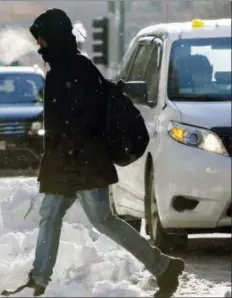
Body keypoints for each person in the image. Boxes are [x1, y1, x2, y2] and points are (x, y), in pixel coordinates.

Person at [24, 8, 185, 298]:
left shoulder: (76, 69)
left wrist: (64, 150)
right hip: (69, 161)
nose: (40, 46)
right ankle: (38, 280)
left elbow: (86, 119)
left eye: (43, 40)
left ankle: (163, 266)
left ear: (56, 38)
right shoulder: (63, 69)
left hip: (82, 162)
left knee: (102, 219)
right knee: (51, 215)